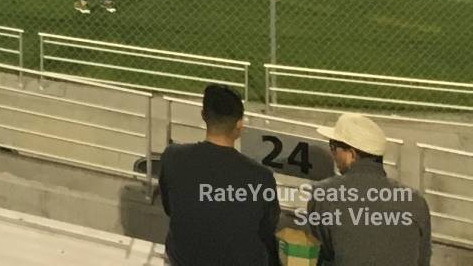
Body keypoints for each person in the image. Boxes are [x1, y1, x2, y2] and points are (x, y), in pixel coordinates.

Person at [156, 84, 281, 266]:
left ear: (203, 115)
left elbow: (170, 208)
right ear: (240, 125)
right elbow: (267, 229)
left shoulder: (172, 157)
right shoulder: (261, 177)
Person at [302, 113, 432, 266]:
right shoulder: (416, 202)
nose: (333, 155)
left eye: (334, 148)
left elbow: (323, 251)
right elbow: (422, 258)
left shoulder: (324, 194)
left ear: (351, 154)